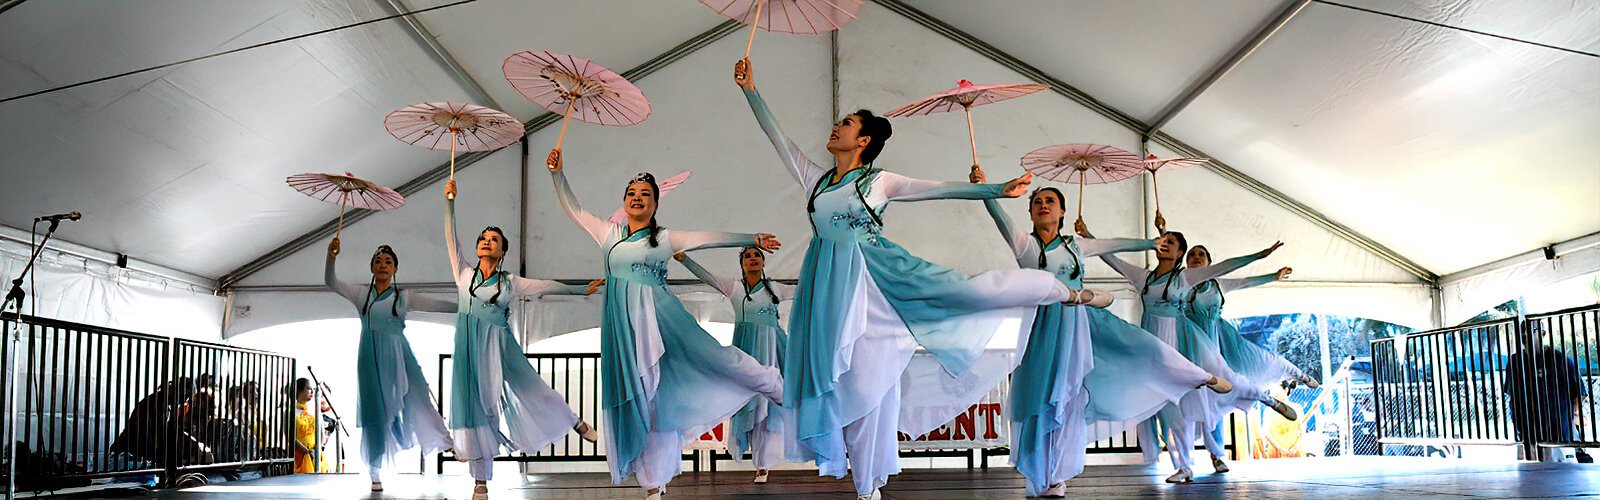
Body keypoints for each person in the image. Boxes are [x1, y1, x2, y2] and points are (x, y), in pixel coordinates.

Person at [737, 57, 1099, 500]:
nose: (835, 128)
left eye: (845, 123)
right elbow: (780, 141)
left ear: (864, 139)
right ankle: (862, 481)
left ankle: (1061, 290)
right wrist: (751, 90)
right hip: (824, 289)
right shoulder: (816, 180)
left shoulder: (879, 182)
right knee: (835, 381)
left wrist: (994, 190)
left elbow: (937, 188)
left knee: (940, 316)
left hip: (874, 278)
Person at [971, 167, 1232, 496]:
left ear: (1062, 211)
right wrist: (987, 188)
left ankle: (1200, 376)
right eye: (1037, 201)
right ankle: (1045, 475)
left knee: (1139, 348)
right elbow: (997, 214)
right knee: (1041, 398)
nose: (1043, 205)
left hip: (1079, 322)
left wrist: (1150, 241)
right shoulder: (1024, 244)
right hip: (1040, 327)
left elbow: (1117, 243)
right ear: (1030, 211)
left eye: (1050, 200)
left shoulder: (1076, 246)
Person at [548, 150, 785, 500]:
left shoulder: (665, 238)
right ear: (624, 202)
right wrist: (558, 175)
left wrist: (751, 238)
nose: (637, 198)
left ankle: (770, 381)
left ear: (655, 204)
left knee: (716, 358)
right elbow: (575, 211)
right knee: (646, 402)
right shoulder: (609, 235)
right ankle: (653, 484)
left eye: (645, 194)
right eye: (632, 194)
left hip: (661, 318)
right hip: (622, 329)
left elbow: (707, 236)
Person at [443, 179, 604, 500]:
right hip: (468, 352)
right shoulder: (463, 275)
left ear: (503, 251)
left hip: (501, 349)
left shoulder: (511, 282)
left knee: (531, 390)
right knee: (474, 412)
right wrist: (450, 202)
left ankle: (573, 421)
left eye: (494, 240)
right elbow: (451, 238)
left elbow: (546, 285)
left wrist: (579, 288)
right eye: (483, 239)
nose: (487, 242)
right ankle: (480, 480)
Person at [1094, 229, 1294, 483]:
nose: (1165, 245)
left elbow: (1224, 267)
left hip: (1185, 344)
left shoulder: (1186, 278)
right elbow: (1112, 259)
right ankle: (1184, 467)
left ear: (1179, 253)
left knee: (1225, 380)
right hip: (1153, 351)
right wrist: (1089, 234)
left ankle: (1264, 397)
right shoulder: (1143, 278)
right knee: (1171, 409)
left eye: (1172, 243)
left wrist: (1259, 255)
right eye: (1162, 242)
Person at [325, 240, 458, 491]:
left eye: (388, 262)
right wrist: (331, 257)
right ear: (372, 269)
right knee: (374, 413)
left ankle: (443, 439)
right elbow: (331, 282)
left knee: (417, 395)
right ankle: (375, 472)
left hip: (399, 355)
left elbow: (436, 305)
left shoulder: (402, 297)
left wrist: (465, 309)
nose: (383, 265)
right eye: (378, 262)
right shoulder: (361, 295)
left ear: (395, 269)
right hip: (368, 358)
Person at [1183, 244, 1315, 472]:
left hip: (1219, 342)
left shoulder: (1218, 284)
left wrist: (1273, 275)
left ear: (1209, 263)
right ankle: (1212, 455)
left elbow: (1246, 281)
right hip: (1191, 347)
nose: (1196, 258)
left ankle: (1296, 374)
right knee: (1202, 401)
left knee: (1254, 364)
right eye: (1192, 255)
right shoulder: (1179, 285)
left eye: (1201, 254)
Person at [675, 248, 796, 483]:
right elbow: (706, 276)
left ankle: (763, 464)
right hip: (745, 348)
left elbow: (805, 290)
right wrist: (684, 259)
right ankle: (754, 455)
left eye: (757, 255)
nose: (753, 259)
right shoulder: (735, 287)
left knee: (767, 402)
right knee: (745, 400)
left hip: (770, 347)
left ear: (763, 261)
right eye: (748, 256)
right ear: (742, 263)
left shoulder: (775, 288)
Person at [1505, 321, 1587, 462]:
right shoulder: (1515, 361)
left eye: (1532, 330)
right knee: (1532, 480)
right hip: (1528, 435)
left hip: (1558, 436)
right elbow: (1513, 395)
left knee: (1561, 477)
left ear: (1543, 334)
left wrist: (1570, 417)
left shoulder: (1560, 360)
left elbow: (1580, 394)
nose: (1525, 334)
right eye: (1523, 330)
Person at [293, 378, 318, 474]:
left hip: (315, 454)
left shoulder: (313, 411)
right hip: (299, 456)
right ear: (299, 390)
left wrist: (315, 450)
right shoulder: (291, 411)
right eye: (308, 388)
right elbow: (291, 437)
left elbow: (320, 434)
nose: (312, 391)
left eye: (312, 389)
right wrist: (306, 450)